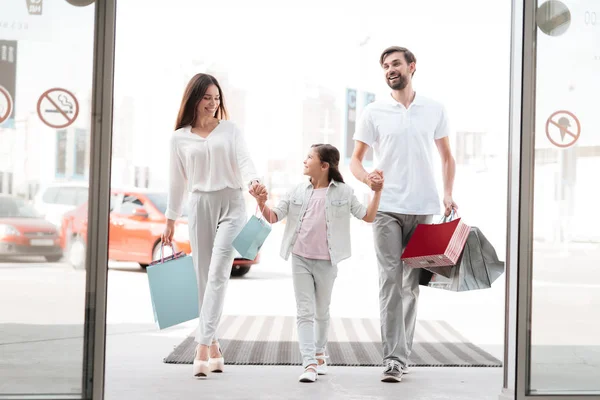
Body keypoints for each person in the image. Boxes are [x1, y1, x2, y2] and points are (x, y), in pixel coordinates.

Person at [350, 46, 458, 383]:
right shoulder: (373, 111)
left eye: (395, 64)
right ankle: (394, 358)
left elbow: (447, 157)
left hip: (424, 210)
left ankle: (402, 354)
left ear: (412, 67)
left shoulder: (434, 109)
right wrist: (368, 177)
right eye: (385, 66)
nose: (389, 69)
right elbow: (355, 160)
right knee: (389, 281)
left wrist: (448, 193)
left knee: (411, 285)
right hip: (386, 209)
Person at [250, 144, 383, 383]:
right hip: (300, 257)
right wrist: (261, 203)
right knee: (304, 311)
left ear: (324, 166)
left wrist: (377, 193)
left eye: (309, 157)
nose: (304, 160)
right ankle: (309, 362)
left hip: (327, 261)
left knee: (322, 312)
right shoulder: (297, 191)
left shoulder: (344, 192)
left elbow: (368, 216)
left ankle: (320, 354)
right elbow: (274, 217)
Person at [162, 73, 264, 378]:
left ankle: (202, 345)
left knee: (219, 271)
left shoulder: (230, 130)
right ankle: (215, 344)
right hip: (199, 205)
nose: (213, 103)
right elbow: (176, 182)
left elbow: (245, 161)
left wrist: (254, 182)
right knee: (202, 277)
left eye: (216, 98)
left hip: (233, 203)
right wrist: (169, 220)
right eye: (207, 97)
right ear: (194, 99)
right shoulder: (179, 137)